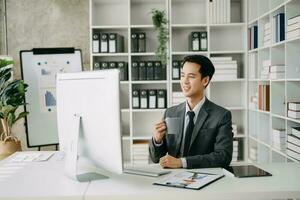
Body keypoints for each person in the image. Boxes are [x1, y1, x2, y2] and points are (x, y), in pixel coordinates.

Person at [149, 55, 233, 169]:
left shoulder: (221, 116)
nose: (184, 81)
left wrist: (182, 162)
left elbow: (223, 157)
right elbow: (156, 158)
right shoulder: (171, 113)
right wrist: (157, 140)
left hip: (206, 178)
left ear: (205, 80)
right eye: (182, 75)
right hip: (173, 179)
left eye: (191, 76)